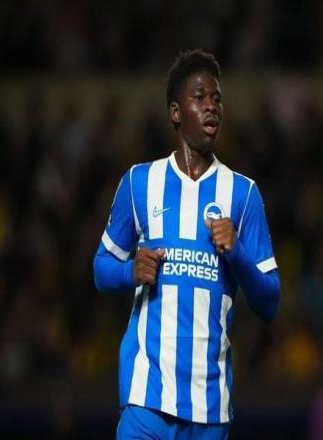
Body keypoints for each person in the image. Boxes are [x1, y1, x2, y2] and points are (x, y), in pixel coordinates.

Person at [93, 49, 281, 440]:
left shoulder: (243, 194)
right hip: (147, 398)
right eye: (200, 97)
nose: (212, 106)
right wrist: (130, 271)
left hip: (209, 409)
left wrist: (238, 253)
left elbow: (270, 302)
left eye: (217, 98)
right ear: (176, 112)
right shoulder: (139, 182)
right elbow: (100, 269)